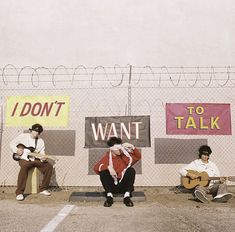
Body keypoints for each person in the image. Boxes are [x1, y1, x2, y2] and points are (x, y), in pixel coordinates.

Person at [10, 123, 53, 201]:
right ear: (31, 130)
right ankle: (19, 193)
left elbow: (42, 153)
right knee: (24, 166)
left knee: (49, 167)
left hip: (34, 158)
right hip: (23, 158)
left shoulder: (40, 141)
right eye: (35, 131)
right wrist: (17, 150)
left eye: (38, 132)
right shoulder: (23, 136)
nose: (36, 133)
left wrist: (43, 158)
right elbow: (12, 143)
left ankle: (43, 189)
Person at [94, 137, 141, 207]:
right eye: (117, 149)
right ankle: (109, 197)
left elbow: (137, 157)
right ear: (112, 149)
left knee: (131, 170)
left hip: (123, 186)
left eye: (120, 148)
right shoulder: (107, 158)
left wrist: (133, 147)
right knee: (103, 172)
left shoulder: (124, 156)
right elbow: (96, 168)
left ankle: (127, 197)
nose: (119, 150)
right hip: (112, 186)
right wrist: (108, 167)